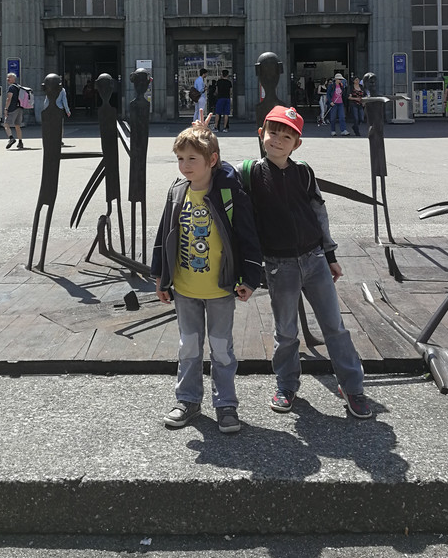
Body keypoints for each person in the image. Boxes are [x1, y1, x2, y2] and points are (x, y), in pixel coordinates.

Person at [241, 104, 371, 419]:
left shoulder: (304, 172)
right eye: (273, 133)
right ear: (261, 134)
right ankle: (286, 385)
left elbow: (319, 214)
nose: (278, 140)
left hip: (314, 259)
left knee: (334, 326)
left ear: (296, 144)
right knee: (286, 331)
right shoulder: (251, 173)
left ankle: (352, 386)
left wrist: (331, 255)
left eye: (287, 137)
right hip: (279, 264)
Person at [151, 126, 263, 434]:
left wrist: (250, 278)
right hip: (185, 289)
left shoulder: (228, 192)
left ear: (212, 160)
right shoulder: (177, 192)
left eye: (192, 159)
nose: (185, 165)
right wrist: (161, 277)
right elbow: (164, 236)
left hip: (220, 289)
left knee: (221, 349)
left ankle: (225, 404)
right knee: (188, 347)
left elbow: (248, 237)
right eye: (180, 158)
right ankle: (187, 400)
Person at [3, 71, 24, 150]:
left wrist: (6, 109)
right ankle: (20, 142)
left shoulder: (11, 87)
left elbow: (9, 98)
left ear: (13, 78)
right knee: (17, 126)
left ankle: (11, 138)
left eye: (9, 77)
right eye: (7, 77)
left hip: (12, 108)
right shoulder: (19, 86)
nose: (7, 79)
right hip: (20, 108)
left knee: (6, 124)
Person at [57, 77, 71, 146]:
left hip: (50, 109)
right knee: (60, 126)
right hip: (59, 108)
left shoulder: (50, 89)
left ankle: (52, 138)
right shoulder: (62, 90)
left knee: (51, 125)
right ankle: (59, 140)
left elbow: (46, 101)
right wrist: (67, 111)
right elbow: (64, 101)